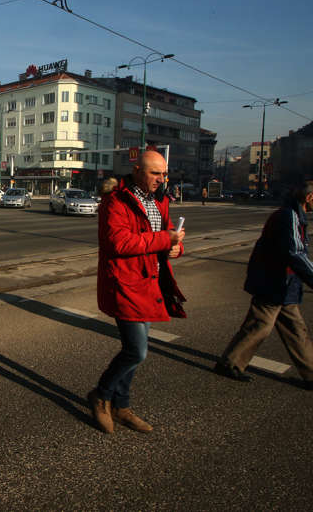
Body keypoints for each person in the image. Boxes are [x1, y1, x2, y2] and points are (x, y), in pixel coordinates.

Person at [88, 150, 186, 434]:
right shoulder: (116, 200)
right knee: (136, 351)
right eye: (156, 173)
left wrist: (176, 247)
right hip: (125, 284)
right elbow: (118, 243)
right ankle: (101, 395)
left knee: (136, 349)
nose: (161, 179)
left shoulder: (160, 200)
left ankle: (122, 406)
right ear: (138, 171)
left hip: (150, 283)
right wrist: (163, 239)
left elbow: (165, 237)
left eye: (164, 174)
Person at [214, 181, 313, 390]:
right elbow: (296, 253)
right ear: (309, 198)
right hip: (274, 282)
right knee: (260, 326)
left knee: (293, 329)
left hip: (282, 282)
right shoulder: (289, 216)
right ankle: (230, 364)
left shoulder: (292, 214)